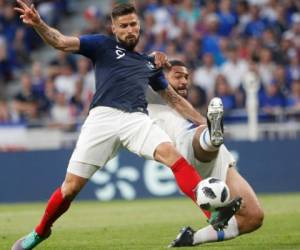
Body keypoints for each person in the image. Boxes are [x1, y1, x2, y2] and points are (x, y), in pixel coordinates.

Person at [12, 2, 212, 250]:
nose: (130, 30)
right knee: (70, 189)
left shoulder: (149, 64)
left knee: (174, 157)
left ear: (140, 26)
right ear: (114, 29)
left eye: (133, 24)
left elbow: (173, 100)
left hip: (136, 119)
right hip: (102, 118)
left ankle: (213, 217)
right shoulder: (102, 45)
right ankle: (40, 232)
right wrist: (39, 23)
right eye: (124, 26)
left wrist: (204, 122)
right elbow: (61, 42)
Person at [147, 60, 264, 247]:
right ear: (162, 77)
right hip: (183, 148)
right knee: (198, 135)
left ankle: (191, 238)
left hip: (219, 156)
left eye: (186, 77)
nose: (184, 81)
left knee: (253, 217)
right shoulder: (152, 95)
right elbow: (139, 69)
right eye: (177, 76)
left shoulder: (186, 105)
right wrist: (152, 59)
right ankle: (211, 136)